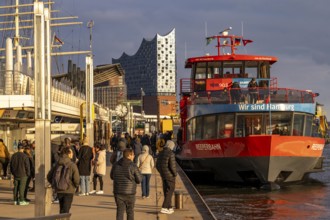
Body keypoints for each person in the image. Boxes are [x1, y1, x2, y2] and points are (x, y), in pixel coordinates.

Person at [110, 148, 142, 220]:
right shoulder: (133, 166)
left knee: (120, 211)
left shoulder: (116, 164)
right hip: (130, 193)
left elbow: (112, 176)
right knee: (130, 211)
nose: (133, 156)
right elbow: (139, 180)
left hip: (118, 192)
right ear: (129, 155)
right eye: (133, 155)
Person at [47, 147, 80, 214]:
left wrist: (55, 184)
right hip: (69, 190)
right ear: (68, 154)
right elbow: (76, 179)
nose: (72, 154)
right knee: (66, 210)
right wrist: (75, 186)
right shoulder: (72, 165)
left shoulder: (57, 163)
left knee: (62, 208)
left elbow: (49, 176)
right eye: (71, 152)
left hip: (59, 190)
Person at [156, 140, 177, 214]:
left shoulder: (160, 153)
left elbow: (157, 165)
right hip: (170, 175)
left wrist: (161, 172)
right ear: (171, 146)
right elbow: (172, 166)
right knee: (170, 190)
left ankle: (169, 207)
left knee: (166, 191)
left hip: (163, 175)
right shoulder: (171, 153)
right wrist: (175, 174)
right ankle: (164, 207)